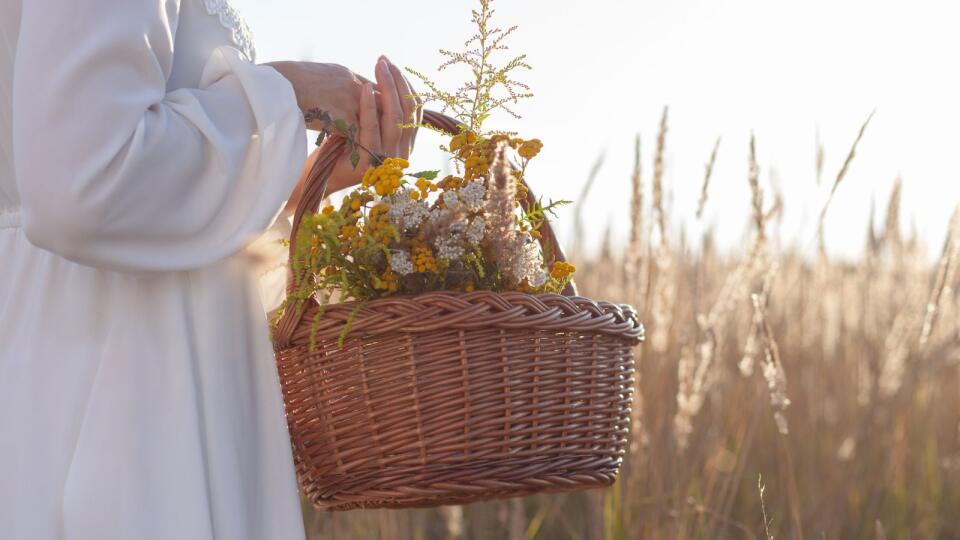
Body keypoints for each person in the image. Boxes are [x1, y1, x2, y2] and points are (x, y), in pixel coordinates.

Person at [0, 0, 419, 538]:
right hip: (120, 374)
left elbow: (119, 179)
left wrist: (289, 179)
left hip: (134, 357)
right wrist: (286, 94)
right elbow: (83, 182)